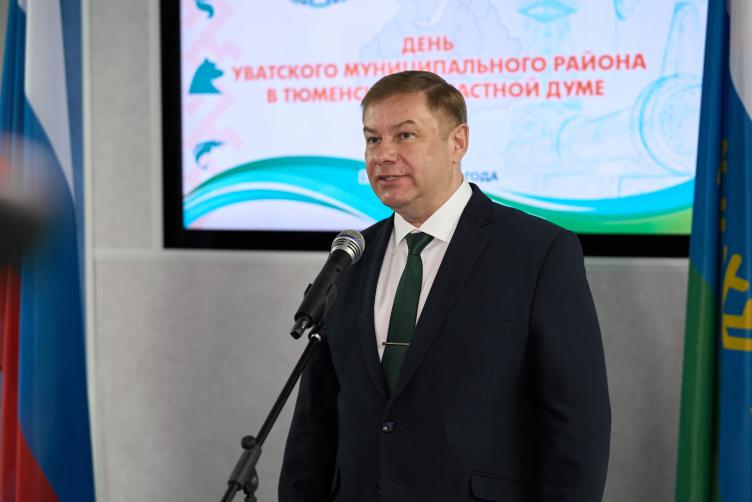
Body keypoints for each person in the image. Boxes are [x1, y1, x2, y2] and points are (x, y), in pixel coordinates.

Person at [279, 71, 610, 502]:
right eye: (373, 139)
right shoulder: (352, 258)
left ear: (458, 142)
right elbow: (315, 422)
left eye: (405, 135)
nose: (384, 154)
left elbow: (578, 426)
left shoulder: (538, 252)